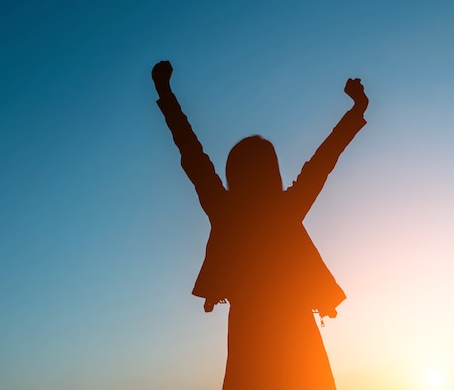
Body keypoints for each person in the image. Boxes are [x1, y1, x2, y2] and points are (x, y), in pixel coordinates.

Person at [152, 60, 369, 389]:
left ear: (233, 173)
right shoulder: (283, 207)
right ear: (272, 171)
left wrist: (165, 92)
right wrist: (356, 110)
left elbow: (190, 151)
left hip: (251, 333)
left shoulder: (227, 209)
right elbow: (324, 159)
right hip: (293, 332)